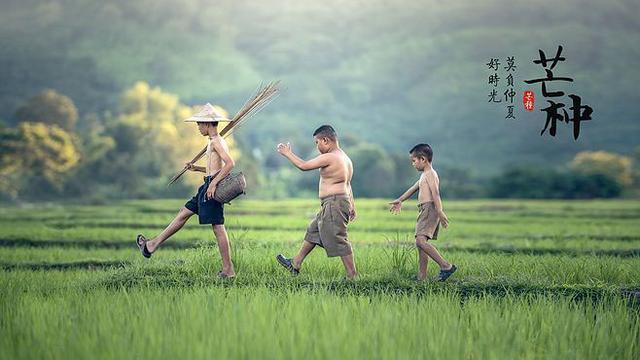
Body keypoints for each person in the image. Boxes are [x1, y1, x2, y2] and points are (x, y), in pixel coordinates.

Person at [135, 103, 236, 279]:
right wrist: (196, 168)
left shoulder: (217, 142)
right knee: (183, 213)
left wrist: (213, 185)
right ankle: (151, 245)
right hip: (207, 185)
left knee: (218, 227)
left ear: (207, 124)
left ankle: (228, 270)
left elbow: (229, 164)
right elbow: (214, 168)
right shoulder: (213, 141)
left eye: (199, 123)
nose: (198, 127)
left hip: (211, 188)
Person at [275, 125, 358, 279]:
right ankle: (295, 263)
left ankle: (352, 276)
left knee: (339, 238)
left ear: (326, 140)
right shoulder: (345, 158)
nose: (317, 146)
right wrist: (352, 205)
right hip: (337, 202)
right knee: (313, 230)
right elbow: (347, 184)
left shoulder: (330, 156)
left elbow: (304, 166)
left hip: (334, 203)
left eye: (317, 142)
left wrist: (287, 153)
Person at [389, 143, 457, 281]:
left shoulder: (431, 174)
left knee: (420, 242)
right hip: (424, 210)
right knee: (420, 244)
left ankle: (446, 266)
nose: (413, 164)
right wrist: (400, 200)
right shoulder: (424, 175)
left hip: (429, 209)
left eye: (414, 161)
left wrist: (440, 211)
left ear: (423, 159)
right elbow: (413, 188)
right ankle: (422, 277)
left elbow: (436, 193)